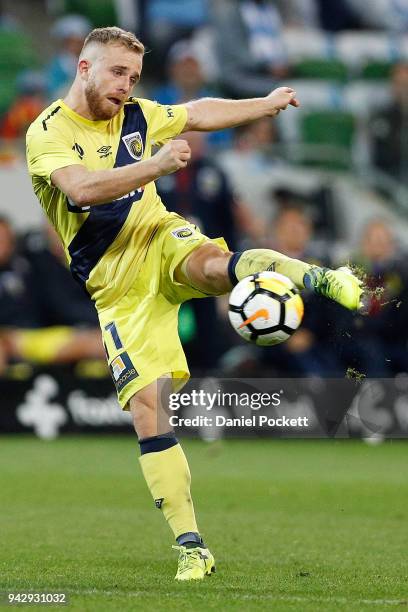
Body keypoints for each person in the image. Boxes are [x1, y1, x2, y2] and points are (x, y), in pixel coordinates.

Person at [26, 26, 363, 581]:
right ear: (84, 68)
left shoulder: (134, 112)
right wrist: (155, 167)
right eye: (117, 73)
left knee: (211, 265)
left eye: (134, 77)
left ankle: (320, 277)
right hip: (116, 286)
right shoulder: (48, 133)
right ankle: (191, 545)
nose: (126, 86)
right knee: (148, 412)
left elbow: (198, 111)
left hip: (158, 236)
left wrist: (267, 104)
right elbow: (81, 189)